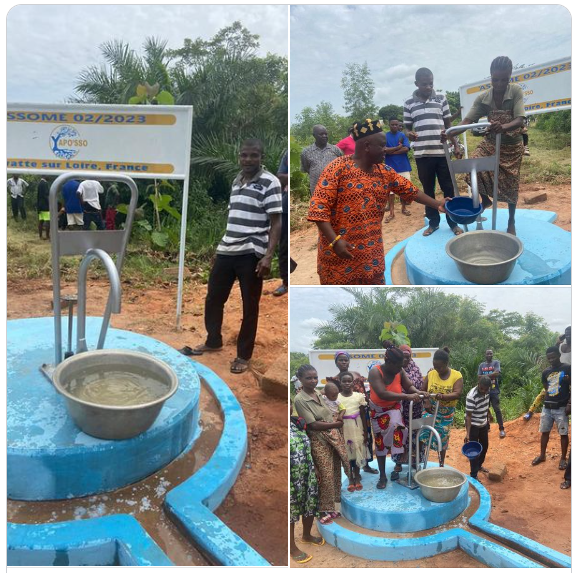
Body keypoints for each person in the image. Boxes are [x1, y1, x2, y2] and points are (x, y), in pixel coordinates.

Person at [307, 118, 449, 285]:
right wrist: (335, 241)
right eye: (382, 146)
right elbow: (318, 209)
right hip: (338, 256)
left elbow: (411, 191)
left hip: (371, 256)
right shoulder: (336, 169)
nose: (385, 150)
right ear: (367, 146)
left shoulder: (385, 172)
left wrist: (437, 204)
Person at [187, 139, 282, 374]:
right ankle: (213, 340)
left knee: (250, 306)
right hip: (227, 249)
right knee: (213, 298)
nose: (248, 160)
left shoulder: (270, 182)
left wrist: (268, 256)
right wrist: (220, 248)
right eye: (244, 155)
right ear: (239, 157)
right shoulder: (237, 180)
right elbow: (234, 219)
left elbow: (276, 222)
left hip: (251, 252)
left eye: (253, 155)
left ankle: (243, 355)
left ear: (262, 157)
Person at [451, 56, 526, 235]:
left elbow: (520, 119)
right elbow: (467, 120)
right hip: (491, 143)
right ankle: (485, 200)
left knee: (510, 184)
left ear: (510, 77)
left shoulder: (515, 91)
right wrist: (449, 133)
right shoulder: (484, 98)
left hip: (512, 147)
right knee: (472, 165)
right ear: (490, 76)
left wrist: (504, 127)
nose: (499, 83)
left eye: (504, 79)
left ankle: (511, 221)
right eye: (495, 79)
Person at [403, 68, 463, 237]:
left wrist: (456, 145)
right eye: (424, 84)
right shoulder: (408, 103)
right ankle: (433, 223)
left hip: (442, 153)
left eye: (431, 83)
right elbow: (407, 127)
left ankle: (453, 222)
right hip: (422, 154)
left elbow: (449, 125)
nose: (428, 87)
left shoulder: (441, 99)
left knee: (448, 189)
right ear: (416, 84)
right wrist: (410, 134)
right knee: (428, 190)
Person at [293, 365, 351, 525]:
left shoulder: (318, 393)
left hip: (330, 437)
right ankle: (322, 510)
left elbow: (325, 414)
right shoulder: (300, 400)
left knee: (334, 471)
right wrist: (335, 425)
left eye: (315, 377)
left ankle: (331, 506)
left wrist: (338, 417)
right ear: (300, 379)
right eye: (308, 378)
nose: (312, 381)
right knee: (324, 476)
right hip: (318, 441)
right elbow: (313, 425)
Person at [367, 346, 424, 489]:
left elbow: (409, 386)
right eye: (398, 365)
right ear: (389, 362)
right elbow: (382, 393)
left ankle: (398, 456)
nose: (401, 368)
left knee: (398, 427)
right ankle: (382, 476)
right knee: (380, 445)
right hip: (378, 412)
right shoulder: (375, 372)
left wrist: (418, 392)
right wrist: (406, 396)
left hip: (394, 408)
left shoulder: (400, 371)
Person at [326, 350, 378, 474]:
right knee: (349, 443)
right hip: (345, 415)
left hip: (360, 411)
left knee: (365, 440)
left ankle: (366, 465)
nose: (344, 362)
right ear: (336, 362)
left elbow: (364, 393)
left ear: (349, 361)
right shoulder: (334, 380)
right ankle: (352, 471)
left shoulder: (356, 375)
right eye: (341, 360)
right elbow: (329, 395)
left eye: (346, 360)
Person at [290, 401, 322, 564]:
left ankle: (306, 535)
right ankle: (291, 547)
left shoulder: (297, 423)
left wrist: (315, 466)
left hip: (307, 471)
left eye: (287, 404)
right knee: (291, 511)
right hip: (290, 478)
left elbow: (308, 447)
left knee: (310, 504)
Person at [419, 347, 463, 467]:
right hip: (430, 409)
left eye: (440, 367)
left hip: (446, 413)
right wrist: (426, 402)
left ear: (446, 363)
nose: (437, 369)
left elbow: (457, 393)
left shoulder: (456, 375)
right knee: (423, 433)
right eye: (435, 366)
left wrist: (443, 397)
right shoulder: (431, 374)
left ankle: (441, 464)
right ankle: (421, 459)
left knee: (442, 439)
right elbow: (422, 390)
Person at [531, 346, 570, 469]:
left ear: (558, 356)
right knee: (544, 432)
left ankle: (563, 458)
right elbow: (546, 386)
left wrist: (569, 404)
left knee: (563, 433)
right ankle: (542, 455)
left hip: (561, 407)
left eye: (553, 357)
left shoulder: (568, 368)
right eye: (549, 358)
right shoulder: (546, 372)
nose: (551, 360)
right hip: (547, 407)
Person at [524, 327, 571, 421]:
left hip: (569, 374)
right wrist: (558, 342)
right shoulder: (562, 346)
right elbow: (553, 352)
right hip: (558, 373)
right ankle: (530, 411)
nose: (569, 336)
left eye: (571, 334)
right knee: (544, 393)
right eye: (567, 334)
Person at [392, 345, 425, 467]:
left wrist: (419, 394)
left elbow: (419, 387)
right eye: (403, 357)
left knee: (415, 435)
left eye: (408, 357)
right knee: (399, 434)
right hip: (399, 409)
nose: (406, 360)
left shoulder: (415, 369)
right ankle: (398, 463)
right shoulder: (395, 370)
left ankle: (414, 460)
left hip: (414, 409)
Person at [339, 372, 370, 491]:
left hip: (357, 427)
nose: (347, 383)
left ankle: (357, 477)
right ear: (340, 383)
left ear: (353, 382)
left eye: (349, 381)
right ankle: (350, 478)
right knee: (347, 455)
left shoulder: (358, 396)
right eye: (344, 381)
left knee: (357, 451)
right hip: (344, 428)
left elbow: (363, 414)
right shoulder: (337, 397)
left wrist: (366, 431)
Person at [300, 124, 342, 196]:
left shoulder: (335, 149)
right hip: (316, 190)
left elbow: (342, 166)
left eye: (326, 134)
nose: (324, 136)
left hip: (335, 189)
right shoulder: (306, 152)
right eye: (321, 134)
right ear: (314, 135)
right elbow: (307, 169)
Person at [384, 118, 412, 223]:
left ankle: (404, 208)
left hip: (403, 166)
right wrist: (398, 148)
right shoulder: (385, 136)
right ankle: (391, 213)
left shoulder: (402, 135)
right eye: (392, 124)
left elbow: (406, 149)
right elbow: (384, 150)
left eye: (396, 124)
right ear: (389, 125)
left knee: (404, 189)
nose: (395, 126)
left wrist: (392, 151)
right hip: (390, 168)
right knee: (391, 192)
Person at [465, 376, 492, 479]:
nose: (484, 391)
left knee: (484, 446)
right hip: (473, 426)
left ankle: (479, 465)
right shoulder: (472, 396)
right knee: (474, 451)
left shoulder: (487, 392)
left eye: (486, 389)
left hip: (483, 424)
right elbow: (468, 416)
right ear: (478, 384)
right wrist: (468, 433)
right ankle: (474, 475)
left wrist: (489, 414)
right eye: (482, 389)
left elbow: (486, 405)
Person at [477, 349, 506, 438]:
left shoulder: (496, 363)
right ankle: (487, 427)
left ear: (492, 354)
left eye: (491, 353)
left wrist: (484, 376)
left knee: (497, 409)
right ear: (485, 355)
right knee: (484, 409)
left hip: (494, 390)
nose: (489, 355)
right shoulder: (481, 365)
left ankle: (501, 429)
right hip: (484, 391)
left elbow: (496, 373)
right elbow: (478, 377)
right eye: (488, 353)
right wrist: (491, 375)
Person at [274, 152, 288, 297]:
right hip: (285, 204)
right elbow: (280, 176)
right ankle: (285, 282)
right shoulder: (287, 154)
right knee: (284, 245)